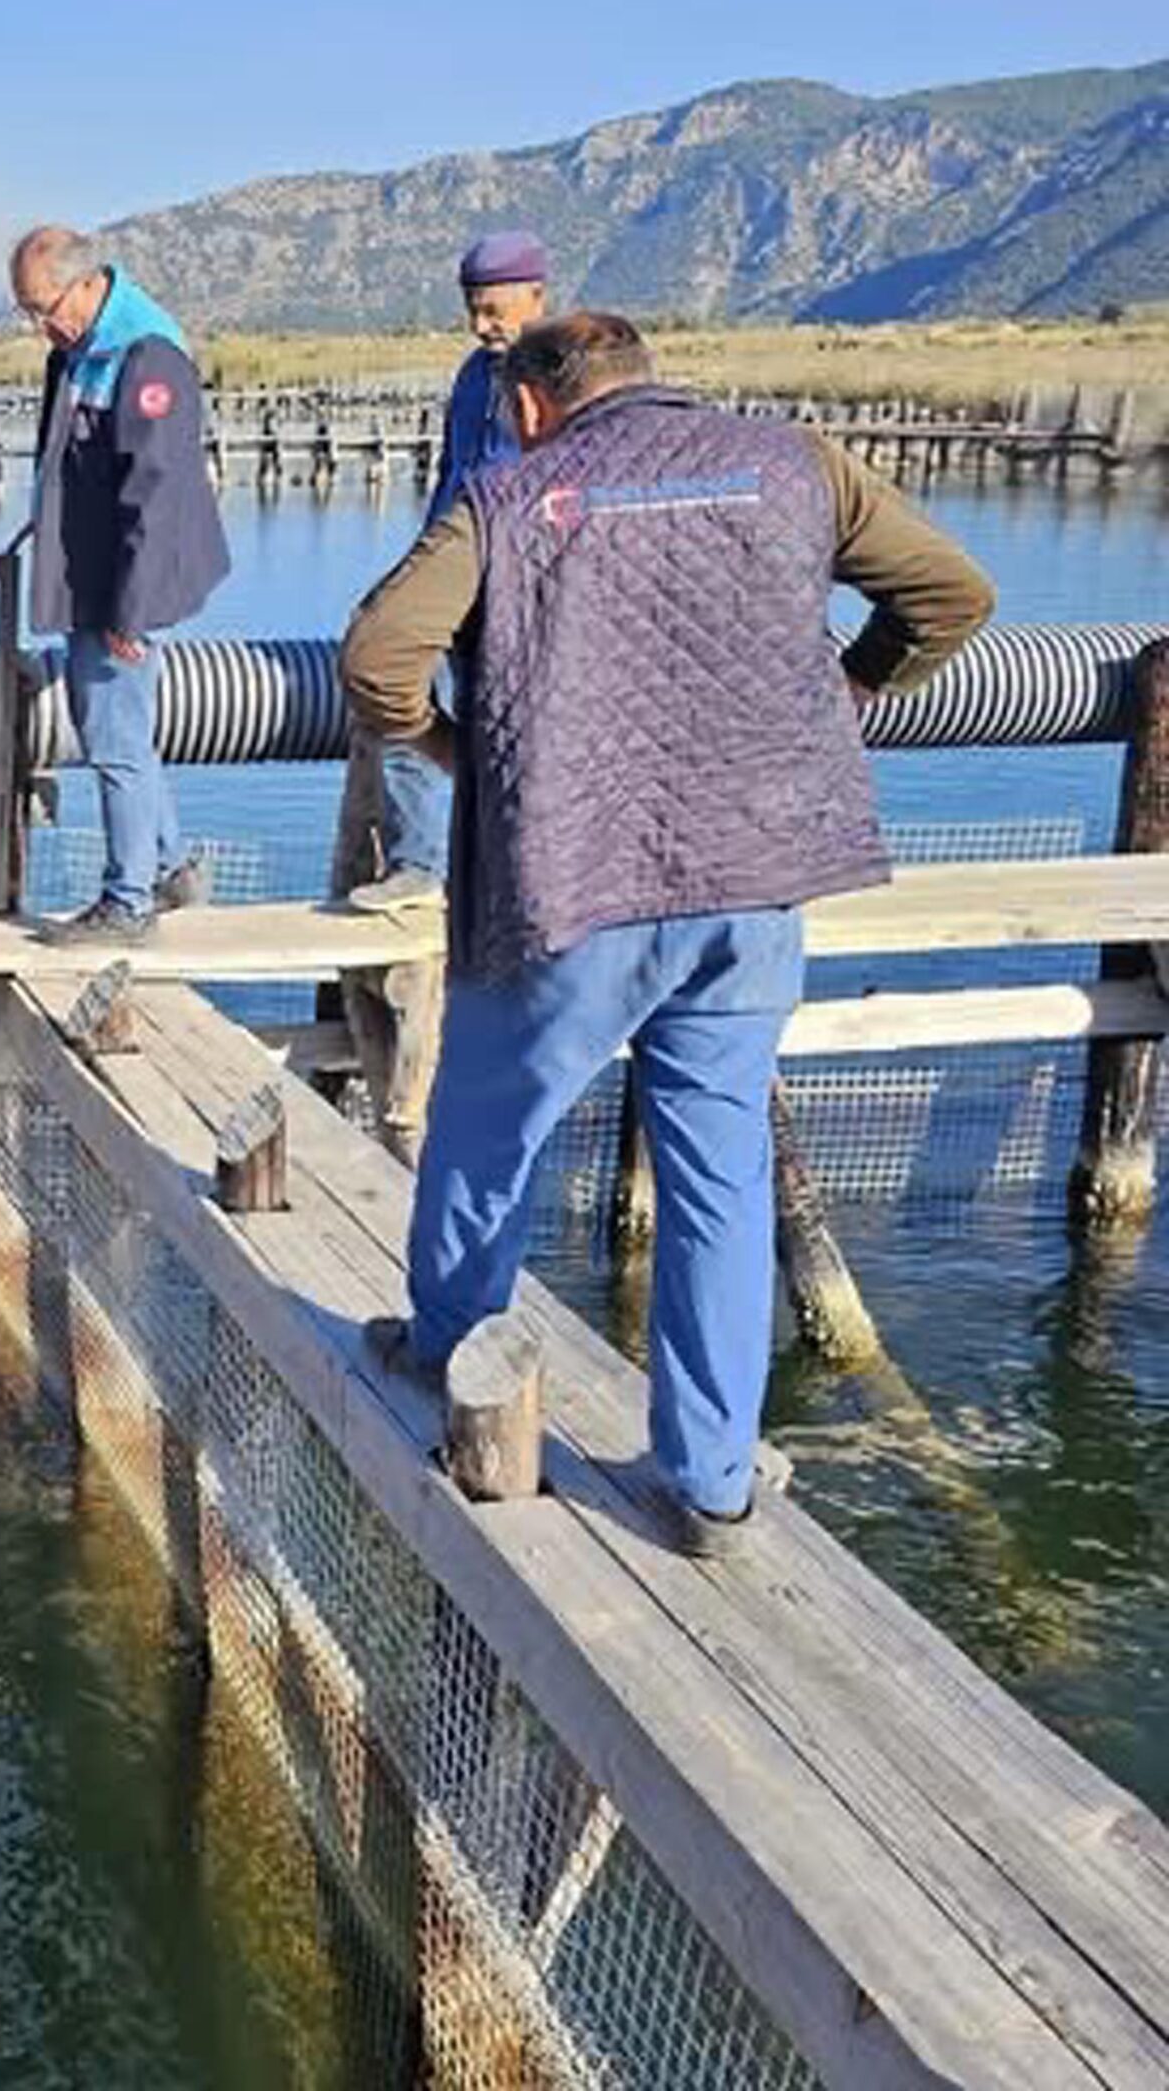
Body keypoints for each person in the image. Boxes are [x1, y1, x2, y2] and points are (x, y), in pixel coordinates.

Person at [340, 311, 993, 1552]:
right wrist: (852, 689)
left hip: (574, 880)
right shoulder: (799, 460)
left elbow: (379, 657)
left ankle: (446, 1353)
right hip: (754, 879)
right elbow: (952, 596)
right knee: (718, 1172)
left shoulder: (509, 491)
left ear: (531, 404)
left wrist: (450, 748)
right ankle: (706, 1480)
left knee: (488, 1129)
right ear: (656, 384)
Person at [10, 225, 231, 944]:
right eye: (27, 312)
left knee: (113, 739)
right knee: (115, 725)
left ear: (86, 283)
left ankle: (127, 902)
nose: (40, 326)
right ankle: (168, 867)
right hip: (92, 572)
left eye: (45, 308)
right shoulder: (77, 351)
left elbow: (156, 498)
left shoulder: (147, 356)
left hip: (130, 584)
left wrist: (130, 616)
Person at [339, 228, 548, 913]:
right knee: (405, 700)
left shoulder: (559, 376)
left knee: (514, 728)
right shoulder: (471, 374)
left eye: (494, 310)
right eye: (473, 309)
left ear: (536, 297)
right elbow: (452, 474)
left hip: (522, 579)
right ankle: (417, 866)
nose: (481, 325)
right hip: (450, 565)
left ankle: (520, 871)